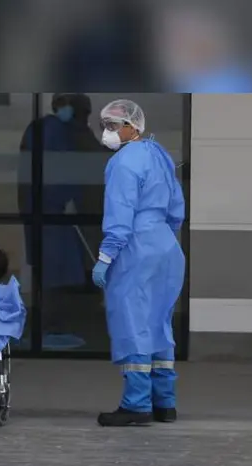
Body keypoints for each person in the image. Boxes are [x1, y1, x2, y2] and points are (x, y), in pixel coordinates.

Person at [92, 99, 186, 427]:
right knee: (160, 323)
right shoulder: (159, 155)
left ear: (134, 126)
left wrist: (105, 257)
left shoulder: (123, 163)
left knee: (133, 323)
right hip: (165, 246)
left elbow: (120, 215)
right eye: (105, 125)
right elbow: (176, 207)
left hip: (136, 247)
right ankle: (165, 403)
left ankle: (137, 404)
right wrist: (163, 237)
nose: (109, 132)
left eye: (115, 125)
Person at [18, 94, 94, 349]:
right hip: (50, 211)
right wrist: (68, 198)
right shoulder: (54, 132)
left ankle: (48, 326)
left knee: (50, 269)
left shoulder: (41, 129)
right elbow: (57, 170)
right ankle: (46, 328)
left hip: (42, 209)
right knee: (53, 270)